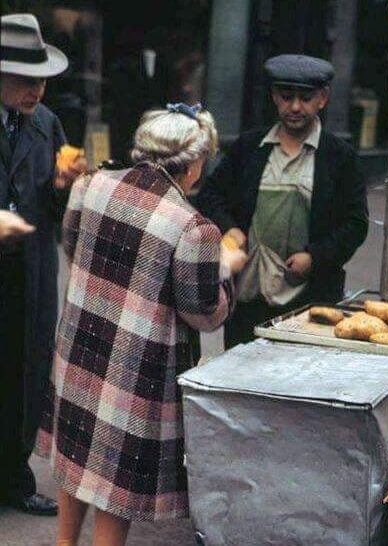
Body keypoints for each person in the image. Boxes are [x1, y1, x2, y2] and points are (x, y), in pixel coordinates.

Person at [38, 103, 246, 546]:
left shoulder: (89, 186)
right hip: (134, 371)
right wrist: (224, 267)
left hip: (80, 348)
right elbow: (203, 313)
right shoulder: (193, 227)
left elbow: (73, 252)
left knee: (76, 456)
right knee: (113, 480)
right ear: (191, 166)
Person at [197, 54, 369, 349]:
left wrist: (315, 258)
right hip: (248, 296)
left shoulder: (339, 157)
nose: (295, 107)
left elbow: (355, 223)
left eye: (305, 98)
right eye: (286, 97)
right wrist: (230, 229)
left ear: (323, 99)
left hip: (309, 302)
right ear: (274, 96)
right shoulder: (250, 147)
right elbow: (210, 194)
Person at [0, 13, 85, 516]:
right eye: (26, 82)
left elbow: (57, 209)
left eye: (42, 81)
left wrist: (62, 188)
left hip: (29, 268)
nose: (37, 92)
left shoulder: (47, 123)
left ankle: (14, 477)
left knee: (27, 371)